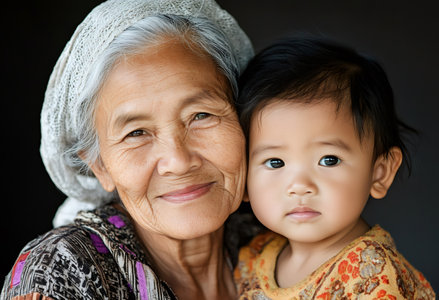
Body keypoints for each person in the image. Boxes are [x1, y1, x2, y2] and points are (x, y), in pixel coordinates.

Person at [1, 0, 257, 299]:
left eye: (201, 115)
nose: (178, 161)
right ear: (100, 166)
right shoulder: (63, 272)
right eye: (136, 133)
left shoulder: (283, 234)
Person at [233, 36, 435, 299]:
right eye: (275, 162)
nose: (300, 186)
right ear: (243, 176)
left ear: (380, 172)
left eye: (329, 160)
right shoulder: (255, 256)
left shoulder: (373, 277)